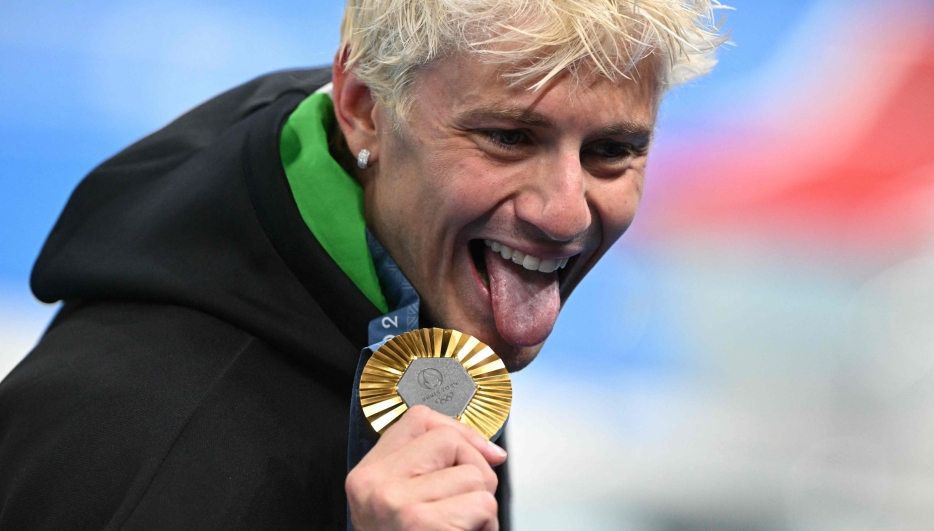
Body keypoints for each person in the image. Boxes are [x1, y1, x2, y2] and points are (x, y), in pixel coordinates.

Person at [0, 1, 725, 530]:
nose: (565, 213)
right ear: (361, 105)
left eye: (612, 151)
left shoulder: (422, 272)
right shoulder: (148, 454)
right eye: (508, 137)